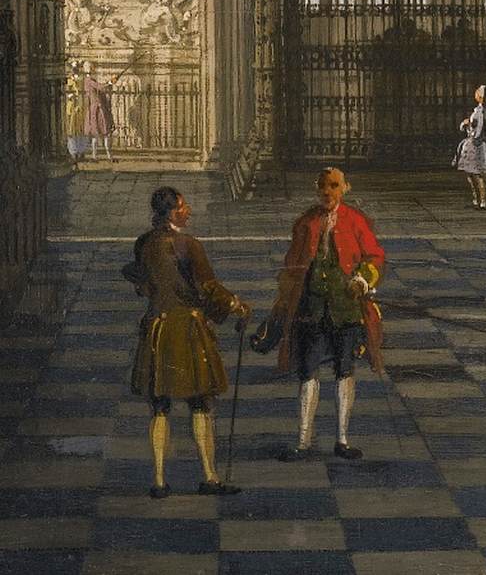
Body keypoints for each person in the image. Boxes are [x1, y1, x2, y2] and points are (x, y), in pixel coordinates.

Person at [122, 187, 251, 499]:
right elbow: (207, 288)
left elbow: (138, 278)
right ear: (170, 212)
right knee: (200, 404)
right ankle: (209, 476)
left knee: (160, 407)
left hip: (156, 329)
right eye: (182, 207)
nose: (188, 210)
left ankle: (159, 481)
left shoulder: (145, 243)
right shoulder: (188, 245)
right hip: (187, 331)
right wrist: (236, 305)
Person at [272, 167, 386, 461]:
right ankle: (303, 441)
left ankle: (343, 440)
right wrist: (287, 294)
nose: (327, 191)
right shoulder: (305, 222)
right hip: (311, 309)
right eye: (323, 186)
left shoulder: (356, 220)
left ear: (345, 187)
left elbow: (374, 257)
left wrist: (362, 280)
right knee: (308, 373)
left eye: (334, 186)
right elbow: (291, 264)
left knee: (344, 372)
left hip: (346, 310)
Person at [453, 84, 486, 209]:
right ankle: (476, 199)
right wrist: (468, 123)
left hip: (475, 145)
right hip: (471, 143)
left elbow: (479, 127)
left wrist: (473, 132)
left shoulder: (480, 111)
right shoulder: (477, 110)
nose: (475, 95)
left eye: (477, 94)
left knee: (477, 174)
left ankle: (482, 201)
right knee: (470, 174)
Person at [83, 60, 115, 161]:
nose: (93, 69)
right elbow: (100, 87)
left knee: (101, 133)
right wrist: (109, 82)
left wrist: (109, 83)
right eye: (91, 68)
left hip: (97, 109)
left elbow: (100, 89)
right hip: (97, 110)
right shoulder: (88, 80)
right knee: (101, 133)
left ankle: (103, 156)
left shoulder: (91, 80)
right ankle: (97, 156)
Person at [65, 59, 89, 163]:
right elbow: (67, 91)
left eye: (77, 68)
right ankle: (73, 153)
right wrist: (70, 95)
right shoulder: (69, 79)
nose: (75, 70)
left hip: (81, 107)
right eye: (74, 68)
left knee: (81, 131)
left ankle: (81, 152)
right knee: (71, 131)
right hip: (72, 107)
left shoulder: (83, 79)